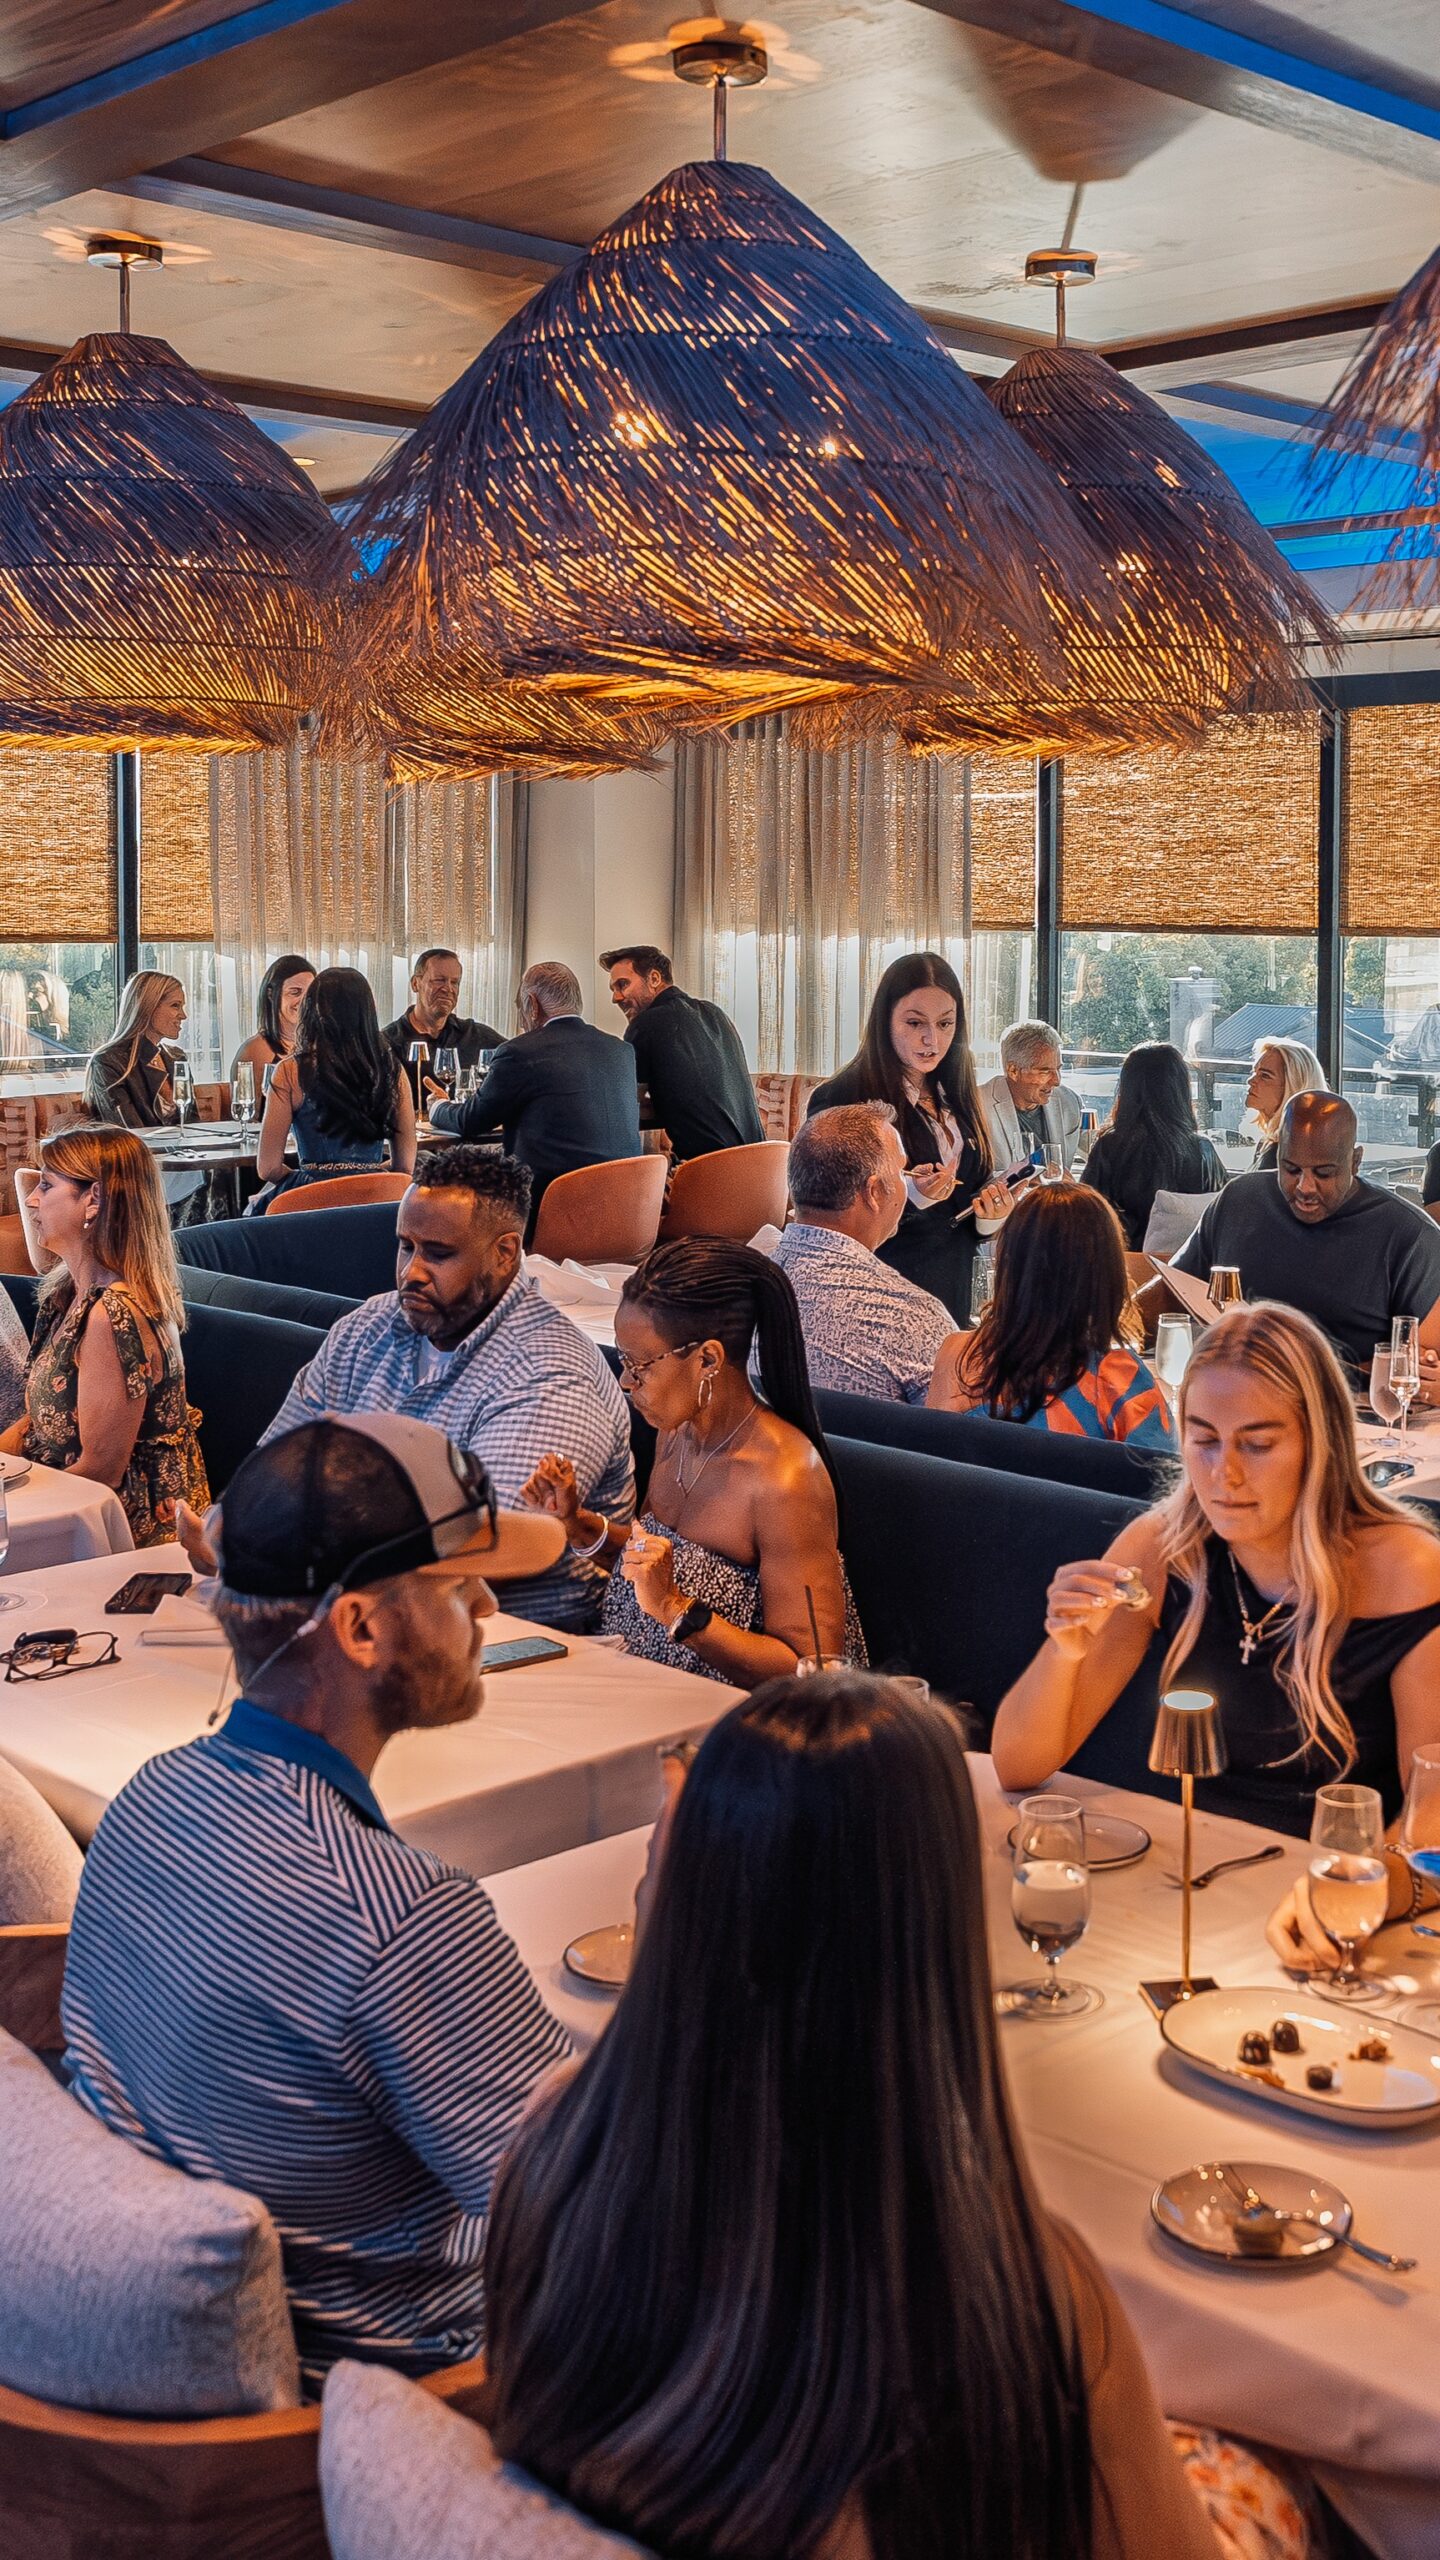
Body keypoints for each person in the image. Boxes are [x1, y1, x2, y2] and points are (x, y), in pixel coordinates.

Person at [481, 1672, 1282, 2560]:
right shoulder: (1014, 2279)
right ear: (933, 1920)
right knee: (1261, 2471)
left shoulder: (551, 2138)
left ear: (680, 1881)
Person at [62, 1414, 572, 2386]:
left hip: (182, 2376)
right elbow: (599, 2224)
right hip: (405, 2401)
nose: (486, 1606)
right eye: (455, 1578)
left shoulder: (143, 1800)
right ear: (360, 1625)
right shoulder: (403, 1917)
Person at [992, 1303, 1440, 1837]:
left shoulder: (1407, 1570)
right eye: (1204, 1440)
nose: (1223, 1473)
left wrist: (1355, 1895)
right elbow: (1017, 1766)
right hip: (1190, 1868)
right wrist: (1065, 1651)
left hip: (1337, 1882)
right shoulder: (1163, 1549)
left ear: (1320, 1443)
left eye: (1256, 1444)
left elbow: (1431, 1812)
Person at [204, 1147, 634, 1633]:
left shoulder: (549, 1370)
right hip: (363, 1612)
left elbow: (480, 1548)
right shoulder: (367, 1327)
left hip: (516, 1644)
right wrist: (235, 1526)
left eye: (439, 1253)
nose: (412, 1271)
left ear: (505, 1252)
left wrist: (275, 1540)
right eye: (405, 1246)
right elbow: (273, 1469)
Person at [522, 1238, 863, 1685]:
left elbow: (813, 1670)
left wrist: (675, 1608)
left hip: (735, 1722)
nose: (626, 1381)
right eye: (624, 1361)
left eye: (639, 1365)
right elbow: (655, 1562)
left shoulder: (784, 1480)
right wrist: (577, 1523)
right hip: (638, 1681)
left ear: (706, 1359)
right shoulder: (675, 1431)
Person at [0, 1123, 207, 1546]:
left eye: (46, 1184)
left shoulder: (113, 1316)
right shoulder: (67, 1294)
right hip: (71, 1505)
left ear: (93, 1199)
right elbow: (44, 1421)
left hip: (121, 1535)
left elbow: (101, 1471)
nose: (32, 1199)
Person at [1170, 1091, 1440, 1381]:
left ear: (1355, 1161)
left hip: (1351, 1410)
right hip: (1233, 1389)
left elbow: (1420, 1368)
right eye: (1291, 1169)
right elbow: (1171, 1290)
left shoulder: (1410, 1235)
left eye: (1324, 1173)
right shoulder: (1239, 1200)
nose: (1305, 1187)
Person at [807, 952, 1014, 1325]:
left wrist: (989, 1217)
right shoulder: (842, 1098)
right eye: (915, 1022)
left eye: (945, 1024)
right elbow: (831, 1221)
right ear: (885, 1020)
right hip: (879, 1303)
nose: (931, 1040)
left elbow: (966, 1200)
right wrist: (913, 1194)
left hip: (950, 1299)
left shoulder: (957, 1091)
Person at [928, 1184, 1175, 1449]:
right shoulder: (1118, 1377)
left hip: (971, 1492)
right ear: (1107, 1273)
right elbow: (1166, 1482)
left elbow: (933, 1465)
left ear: (1007, 1265)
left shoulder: (956, 1355)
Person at [771, 1102, 961, 1403]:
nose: (907, 1182)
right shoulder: (914, 1318)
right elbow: (955, 1439)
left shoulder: (730, 1288)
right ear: (873, 1192)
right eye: (902, 1171)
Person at [430, 960, 641, 1231]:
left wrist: (438, 1106)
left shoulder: (518, 1052)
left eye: (520, 1007)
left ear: (532, 1004)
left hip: (553, 1213)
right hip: (626, 1215)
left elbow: (472, 1120)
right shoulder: (621, 1051)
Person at [251, 965, 415, 1208]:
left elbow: (267, 1168)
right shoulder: (392, 1070)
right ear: (368, 1012)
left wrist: (304, 1183)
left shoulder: (289, 1071)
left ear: (312, 1010)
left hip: (311, 1202)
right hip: (373, 1204)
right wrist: (364, 1177)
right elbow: (404, 1166)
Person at [600, 943, 762, 1162]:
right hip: (762, 1168)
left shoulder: (647, 1024)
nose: (616, 997)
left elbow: (624, 1101)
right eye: (614, 989)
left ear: (655, 979)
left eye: (623, 985)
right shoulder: (715, 1013)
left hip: (710, 1172)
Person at [1083, 1041, 1226, 1251]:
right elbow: (1219, 1215)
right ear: (1180, 1091)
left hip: (1122, 1263)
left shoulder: (1109, 1146)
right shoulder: (1202, 1150)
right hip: (1182, 1268)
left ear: (1127, 1090)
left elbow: (1087, 1214)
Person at [382, 948, 503, 1104]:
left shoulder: (476, 1035)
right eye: (439, 980)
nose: (448, 989)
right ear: (415, 984)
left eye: (454, 982)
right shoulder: (388, 1043)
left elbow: (518, 1057)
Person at [83, 970, 188, 1127]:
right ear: (148, 1007)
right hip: (138, 1150)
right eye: (175, 1006)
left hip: (184, 1150)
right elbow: (128, 1129)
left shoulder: (177, 1057)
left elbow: (192, 1123)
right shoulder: (108, 1061)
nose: (183, 1015)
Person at [978, 1018, 1081, 1170]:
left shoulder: (1069, 1101)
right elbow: (971, 1180)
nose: (1056, 1081)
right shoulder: (977, 1106)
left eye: (1058, 1069)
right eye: (1044, 1071)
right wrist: (1024, 1178)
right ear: (1013, 1071)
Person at [230, 951, 315, 1087]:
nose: (304, 1001)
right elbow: (246, 1106)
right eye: (295, 992)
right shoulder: (255, 1051)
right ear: (271, 994)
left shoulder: (319, 1046)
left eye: (309, 994)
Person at [1245, 1037, 1327, 1170]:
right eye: (1255, 1072)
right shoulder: (1269, 1143)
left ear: (1293, 1086)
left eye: (1265, 1076)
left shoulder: (1290, 1155)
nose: (1251, 1080)